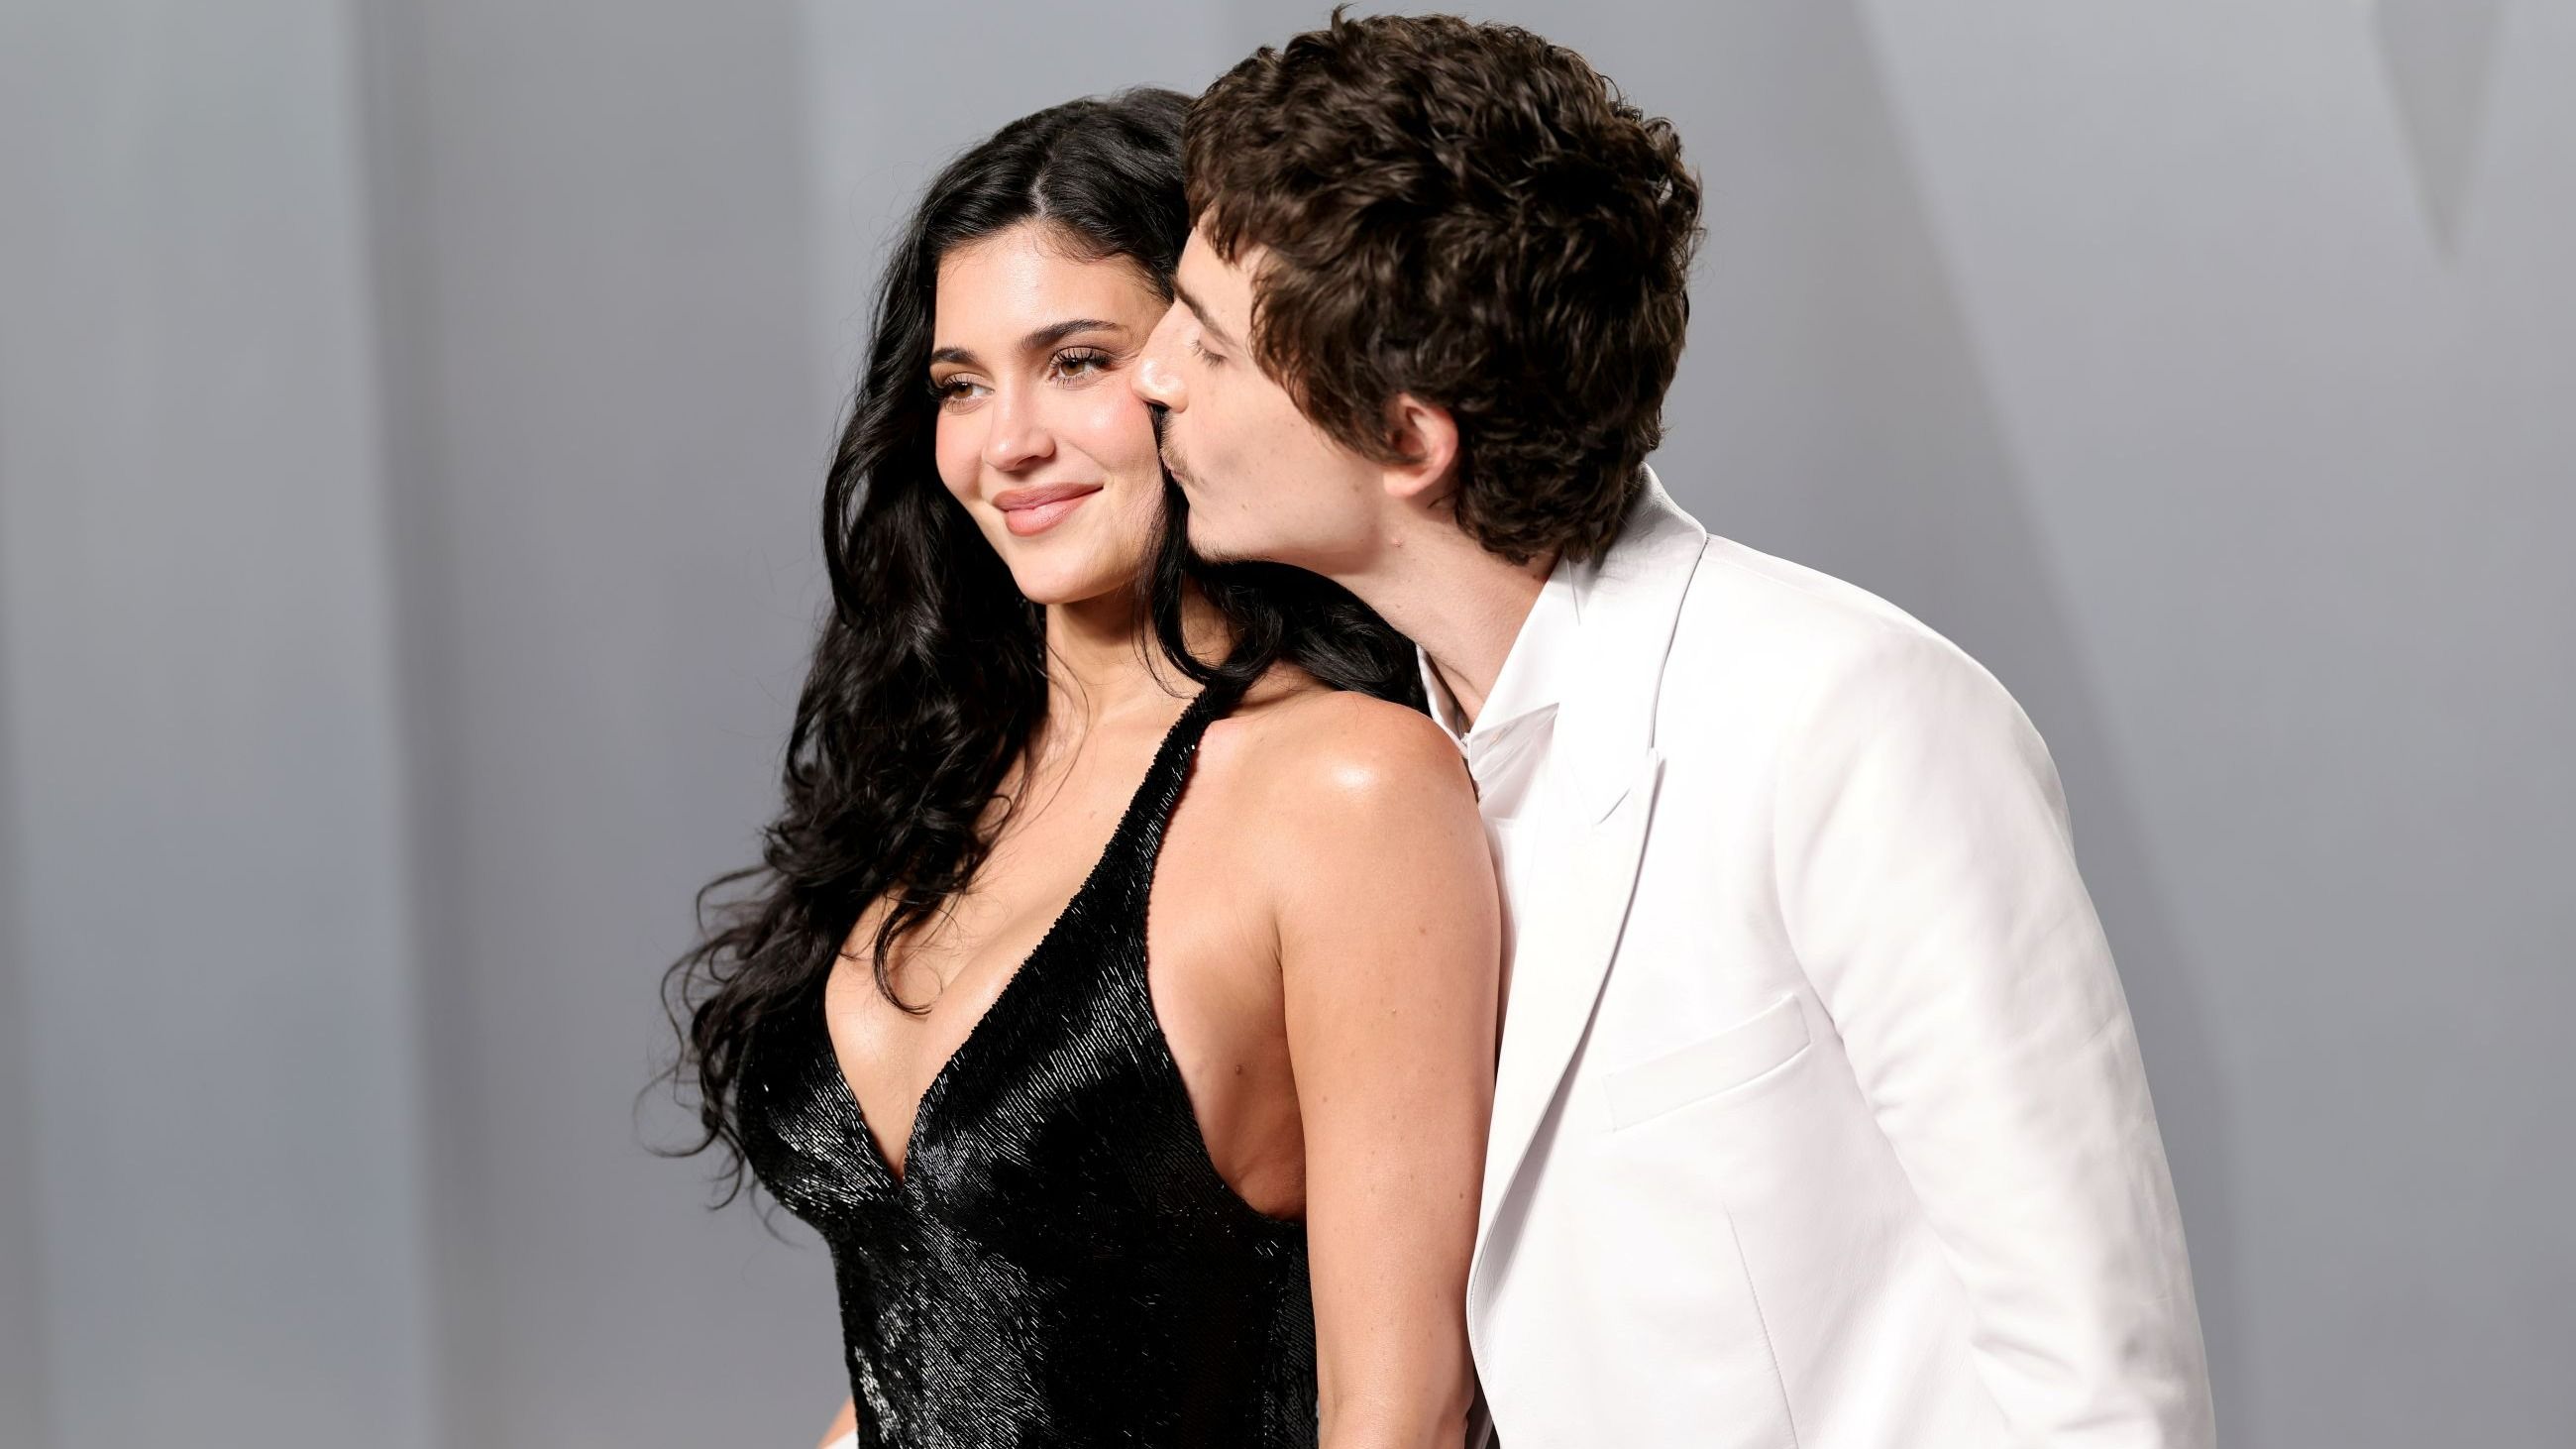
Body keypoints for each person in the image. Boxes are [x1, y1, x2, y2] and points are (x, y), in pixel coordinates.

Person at [1132, 12, 2217, 1448]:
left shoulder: (1848, 718)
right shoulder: (1367, 769)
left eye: (1210, 345)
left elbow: (2099, 1390)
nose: (1150, 370)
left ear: (1409, 440)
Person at [656, 88, 1498, 1449]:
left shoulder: (1348, 791)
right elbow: (932, 1346)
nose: (1008, 444)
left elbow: (1402, 1413)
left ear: (1211, 363)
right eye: (960, 384)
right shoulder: (938, 775)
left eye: (1078, 361)